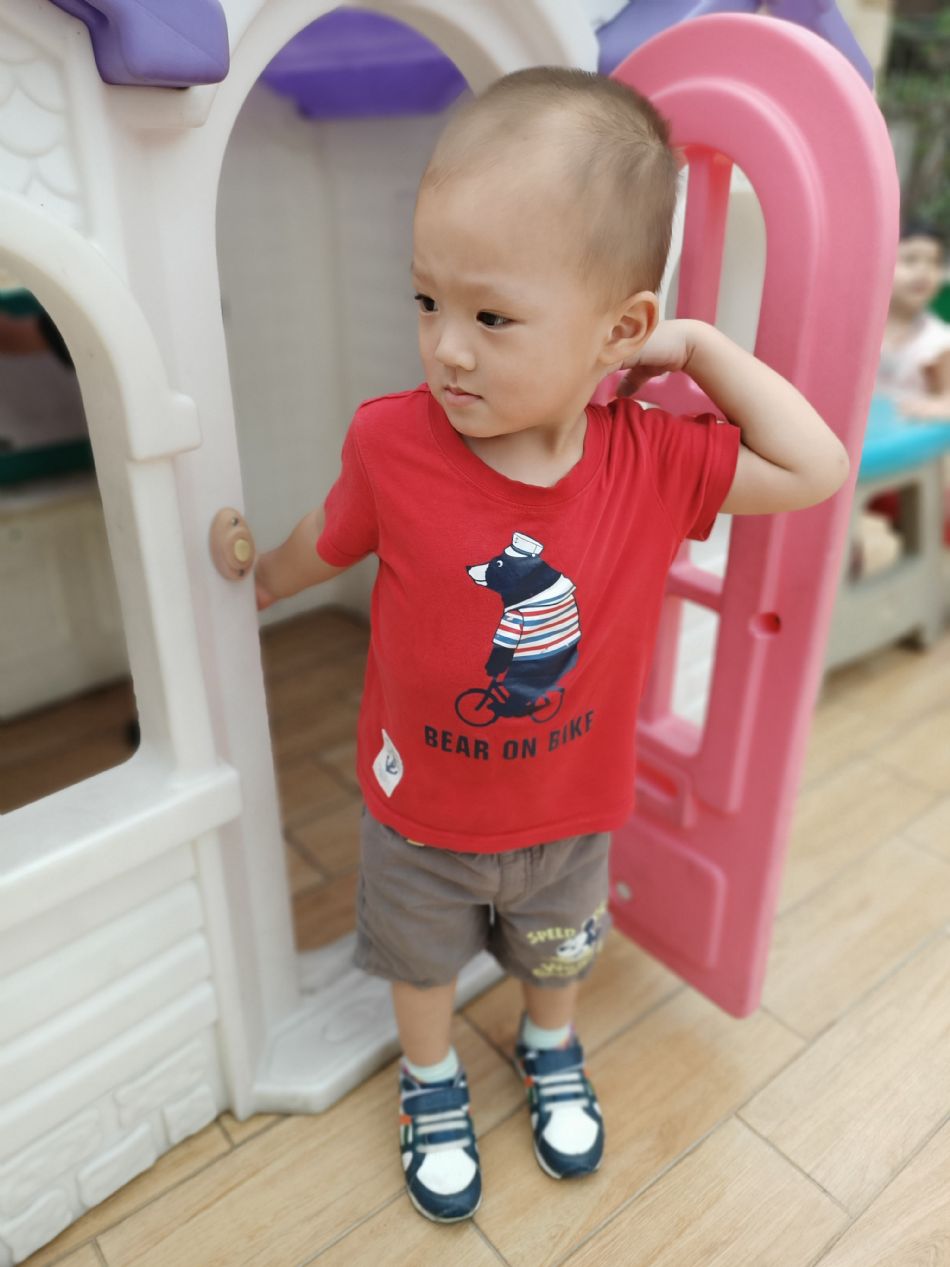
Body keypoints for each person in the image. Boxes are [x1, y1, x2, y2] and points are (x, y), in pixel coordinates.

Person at [254, 67, 849, 1224]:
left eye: (490, 317)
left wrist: (694, 349)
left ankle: (547, 1048)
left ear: (616, 329)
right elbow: (325, 537)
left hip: (568, 812)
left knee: (558, 958)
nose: (445, 348)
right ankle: (430, 1079)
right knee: (419, 964)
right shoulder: (392, 441)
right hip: (418, 809)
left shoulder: (649, 458)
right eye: (426, 300)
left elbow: (813, 465)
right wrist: (261, 579)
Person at [877, 219, 950, 420]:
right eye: (910, 260)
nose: (923, 272)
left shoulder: (937, 342)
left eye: (934, 262)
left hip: (909, 431)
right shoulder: (862, 331)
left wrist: (938, 409)